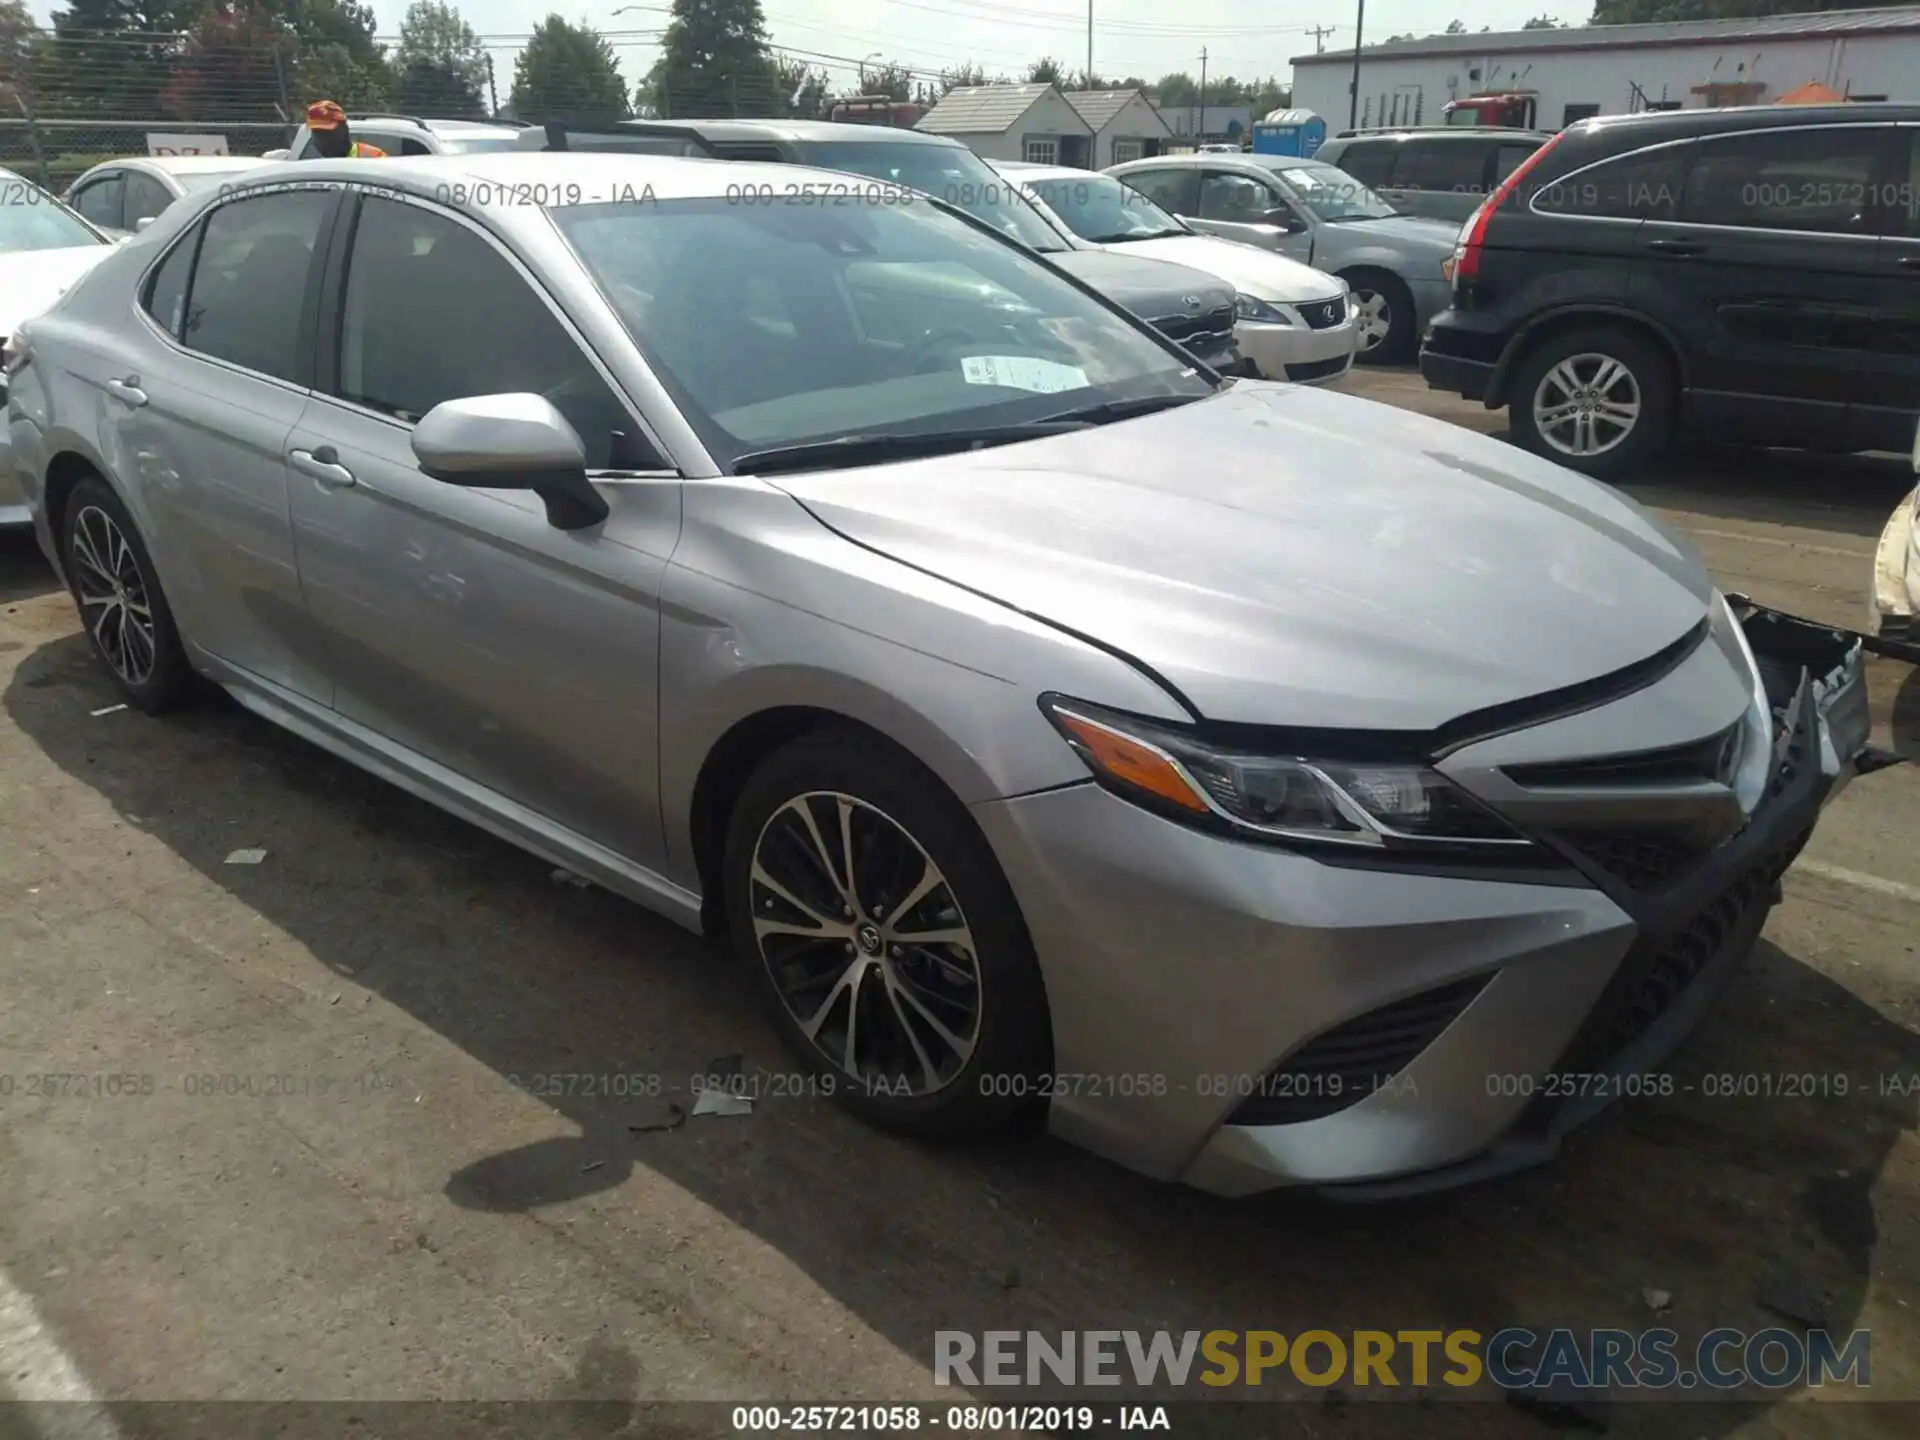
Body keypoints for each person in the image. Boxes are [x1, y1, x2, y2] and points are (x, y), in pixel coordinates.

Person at [305, 100, 387, 159]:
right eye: (317, 133)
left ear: (344, 129)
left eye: (327, 133)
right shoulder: (315, 170)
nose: (322, 141)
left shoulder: (375, 158)